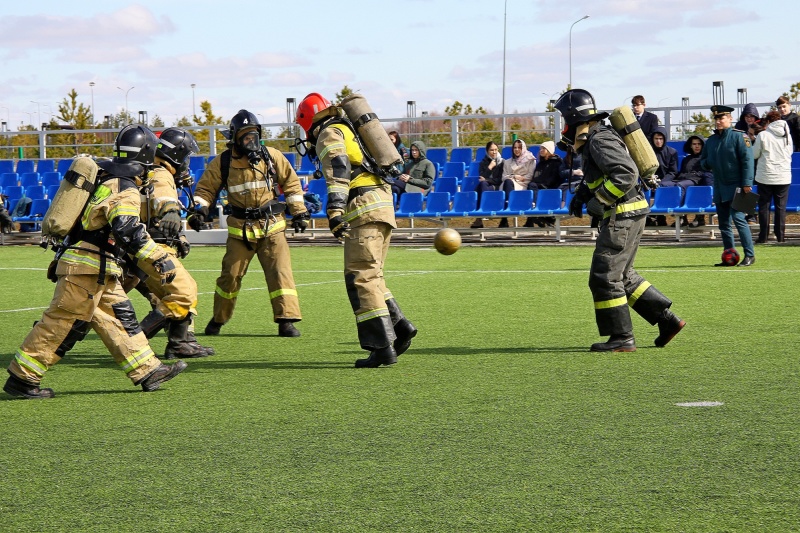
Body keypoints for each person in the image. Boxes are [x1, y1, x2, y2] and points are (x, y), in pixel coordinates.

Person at [3, 125, 188, 399]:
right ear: (147, 156)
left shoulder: (106, 178)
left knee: (121, 319)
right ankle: (23, 378)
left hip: (96, 268)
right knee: (61, 324)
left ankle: (148, 369)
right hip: (87, 268)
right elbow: (127, 228)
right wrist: (159, 257)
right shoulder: (124, 188)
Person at [555, 88, 685, 352]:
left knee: (604, 276)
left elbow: (625, 174)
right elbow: (599, 174)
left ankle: (621, 338)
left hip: (621, 214)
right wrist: (581, 195)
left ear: (574, 117)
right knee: (622, 275)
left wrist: (599, 199)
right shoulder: (595, 136)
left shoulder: (598, 140)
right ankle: (667, 321)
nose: (563, 125)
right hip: (629, 212)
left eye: (563, 118)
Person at [295, 92, 417, 368]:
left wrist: (336, 210)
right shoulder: (349, 128)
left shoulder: (329, 133)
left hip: (363, 208)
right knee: (373, 276)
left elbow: (339, 168)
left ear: (308, 122)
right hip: (382, 206)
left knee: (360, 277)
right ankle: (400, 328)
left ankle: (381, 348)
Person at [191, 110, 309, 337]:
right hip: (240, 232)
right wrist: (200, 210)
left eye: (254, 135)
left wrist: (300, 212)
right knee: (230, 276)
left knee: (280, 273)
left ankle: (286, 320)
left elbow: (292, 184)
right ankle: (218, 319)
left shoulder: (272, 156)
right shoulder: (223, 162)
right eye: (245, 136)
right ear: (235, 137)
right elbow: (205, 189)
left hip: (272, 226)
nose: (250, 140)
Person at [131, 127, 215, 358]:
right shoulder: (161, 173)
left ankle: (183, 341)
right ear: (176, 155)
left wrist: (179, 237)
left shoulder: (151, 169)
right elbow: (163, 198)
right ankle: (134, 345)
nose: (187, 163)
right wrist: (171, 210)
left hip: (142, 247)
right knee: (184, 291)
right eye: (186, 156)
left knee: (99, 303)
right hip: (151, 249)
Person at [700, 105, 756, 266]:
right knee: (723, 223)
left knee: (739, 219)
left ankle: (750, 255)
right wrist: (708, 163)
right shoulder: (711, 141)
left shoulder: (740, 137)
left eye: (721, 118)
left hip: (737, 185)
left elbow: (747, 161)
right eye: (716, 118)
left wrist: (747, 183)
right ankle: (729, 254)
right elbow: (703, 162)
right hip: (719, 185)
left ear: (730, 119)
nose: (718, 121)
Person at [753, 110, 794, 243]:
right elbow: (790, 152)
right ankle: (780, 236)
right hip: (783, 176)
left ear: (769, 122)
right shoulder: (787, 135)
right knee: (780, 208)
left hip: (765, 176)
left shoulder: (763, 135)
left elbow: (754, 154)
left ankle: (763, 236)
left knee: (764, 207)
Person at [674, 135, 715, 227]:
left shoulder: (706, 158)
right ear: (690, 145)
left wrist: (691, 175)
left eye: (699, 144)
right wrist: (688, 175)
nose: (697, 146)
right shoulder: (686, 159)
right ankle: (683, 218)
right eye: (694, 144)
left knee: (681, 185)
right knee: (671, 185)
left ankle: (689, 216)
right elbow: (681, 173)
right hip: (687, 181)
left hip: (699, 182)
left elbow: (704, 173)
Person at [498, 139, 536, 227]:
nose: (517, 149)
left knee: (508, 183)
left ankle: (506, 215)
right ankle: (505, 216)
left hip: (524, 183)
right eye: (515, 147)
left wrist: (521, 178)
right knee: (507, 182)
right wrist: (514, 176)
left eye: (519, 147)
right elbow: (504, 177)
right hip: (509, 182)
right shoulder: (507, 162)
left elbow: (530, 176)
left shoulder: (531, 160)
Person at [647, 126, 680, 226]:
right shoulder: (648, 152)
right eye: (656, 138)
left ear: (664, 139)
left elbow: (673, 172)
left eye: (660, 139)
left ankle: (660, 216)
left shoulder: (672, 152)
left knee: (662, 187)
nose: (658, 141)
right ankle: (648, 217)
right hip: (650, 180)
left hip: (666, 181)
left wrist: (661, 182)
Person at [525, 140, 562, 227]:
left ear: (549, 151)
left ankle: (538, 212)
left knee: (533, 187)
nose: (541, 150)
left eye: (543, 148)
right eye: (540, 148)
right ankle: (536, 211)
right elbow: (535, 177)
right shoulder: (540, 164)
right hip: (539, 187)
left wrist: (543, 185)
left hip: (551, 188)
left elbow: (554, 178)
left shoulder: (556, 162)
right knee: (531, 185)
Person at [470, 140, 503, 229]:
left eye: (496, 149)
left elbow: (500, 180)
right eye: (492, 150)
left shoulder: (502, 162)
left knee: (482, 186)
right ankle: (483, 212)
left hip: (497, 187)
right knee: (482, 185)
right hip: (486, 186)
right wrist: (490, 167)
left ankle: (480, 216)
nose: (494, 152)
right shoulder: (483, 162)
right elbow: (481, 177)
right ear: (487, 151)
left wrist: (488, 180)